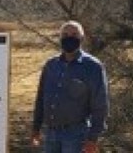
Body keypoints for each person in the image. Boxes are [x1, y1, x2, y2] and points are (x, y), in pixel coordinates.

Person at [31, 20, 109, 153]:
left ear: (82, 38)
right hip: (51, 133)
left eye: (74, 34)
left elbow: (100, 105)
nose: (69, 38)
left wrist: (93, 138)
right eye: (65, 35)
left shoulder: (93, 66)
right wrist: (36, 128)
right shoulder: (51, 65)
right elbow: (41, 98)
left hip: (77, 135)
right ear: (60, 38)